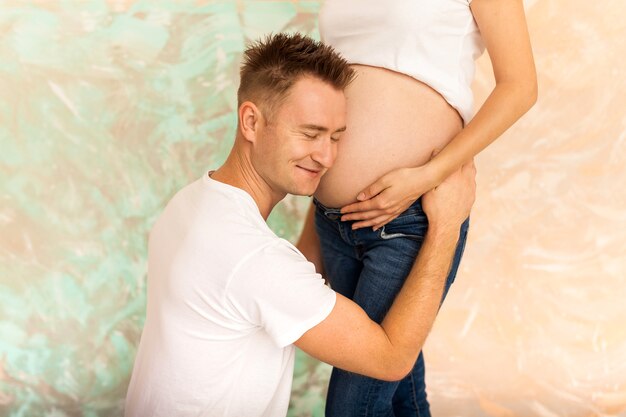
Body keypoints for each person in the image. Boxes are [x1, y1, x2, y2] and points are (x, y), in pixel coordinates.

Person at [124, 33, 476, 417]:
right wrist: (446, 225)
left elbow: (284, 280)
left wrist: (326, 199)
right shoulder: (255, 259)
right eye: (310, 134)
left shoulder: (191, 204)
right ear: (251, 121)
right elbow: (390, 359)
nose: (326, 156)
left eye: (336, 137)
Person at [295, 1, 537, 416]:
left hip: (411, 217)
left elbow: (521, 86)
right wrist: (315, 215)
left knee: (353, 406)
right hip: (333, 222)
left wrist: (427, 176)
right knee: (399, 388)